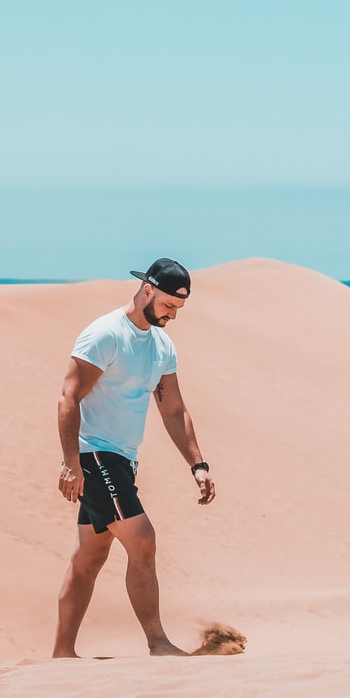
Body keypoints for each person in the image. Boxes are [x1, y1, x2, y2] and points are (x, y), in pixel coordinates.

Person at [52, 258, 216, 658]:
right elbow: (68, 396)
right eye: (168, 305)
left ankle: (61, 654)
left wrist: (198, 464)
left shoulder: (161, 345)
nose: (172, 315)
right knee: (143, 541)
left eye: (179, 309)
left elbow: (174, 410)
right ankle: (158, 644)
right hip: (95, 454)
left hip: (123, 460)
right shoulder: (105, 335)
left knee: (89, 558)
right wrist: (71, 462)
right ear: (147, 290)